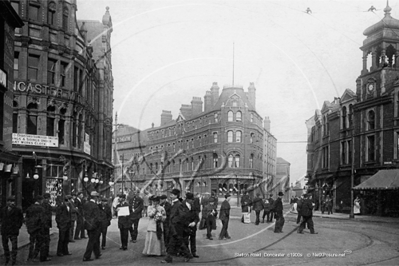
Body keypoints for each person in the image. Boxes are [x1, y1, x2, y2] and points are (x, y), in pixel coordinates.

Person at [161, 189, 192, 263]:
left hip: (176, 227)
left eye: (172, 194)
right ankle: (186, 255)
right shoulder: (173, 203)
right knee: (174, 242)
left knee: (178, 242)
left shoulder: (179, 204)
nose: (170, 195)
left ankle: (187, 255)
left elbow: (182, 216)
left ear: (176, 195)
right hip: (172, 227)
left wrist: (174, 221)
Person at [0, 196, 24, 266]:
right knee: (5, 246)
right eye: (9, 201)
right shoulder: (3, 209)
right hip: (5, 230)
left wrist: (18, 227)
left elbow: (21, 219)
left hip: (13, 230)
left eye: (12, 201)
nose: (10, 203)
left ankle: (13, 260)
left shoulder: (17, 210)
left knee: (14, 246)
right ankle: (7, 258)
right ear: (7, 202)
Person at [25, 195, 50, 262]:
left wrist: (28, 227)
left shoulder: (30, 208)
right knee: (40, 243)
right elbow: (43, 219)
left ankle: (30, 257)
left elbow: (27, 218)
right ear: (40, 200)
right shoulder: (41, 209)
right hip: (39, 228)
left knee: (32, 243)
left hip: (31, 228)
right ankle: (37, 256)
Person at [82, 191, 102, 262]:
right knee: (92, 241)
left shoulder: (86, 204)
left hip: (88, 225)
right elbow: (97, 217)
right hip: (94, 225)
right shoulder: (95, 205)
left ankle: (97, 253)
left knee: (94, 240)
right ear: (95, 197)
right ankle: (86, 256)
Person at [182, 192, 200, 258]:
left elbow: (197, 216)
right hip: (185, 226)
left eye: (192, 200)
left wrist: (195, 222)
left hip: (193, 226)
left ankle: (193, 252)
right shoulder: (182, 205)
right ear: (187, 199)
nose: (192, 201)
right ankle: (187, 253)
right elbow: (181, 217)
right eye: (191, 200)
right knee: (185, 240)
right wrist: (188, 224)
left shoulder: (193, 205)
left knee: (193, 239)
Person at [41, 193, 54, 259]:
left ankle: (46, 253)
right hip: (45, 225)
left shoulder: (44, 205)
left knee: (46, 240)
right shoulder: (45, 205)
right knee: (45, 240)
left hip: (45, 224)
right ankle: (44, 255)